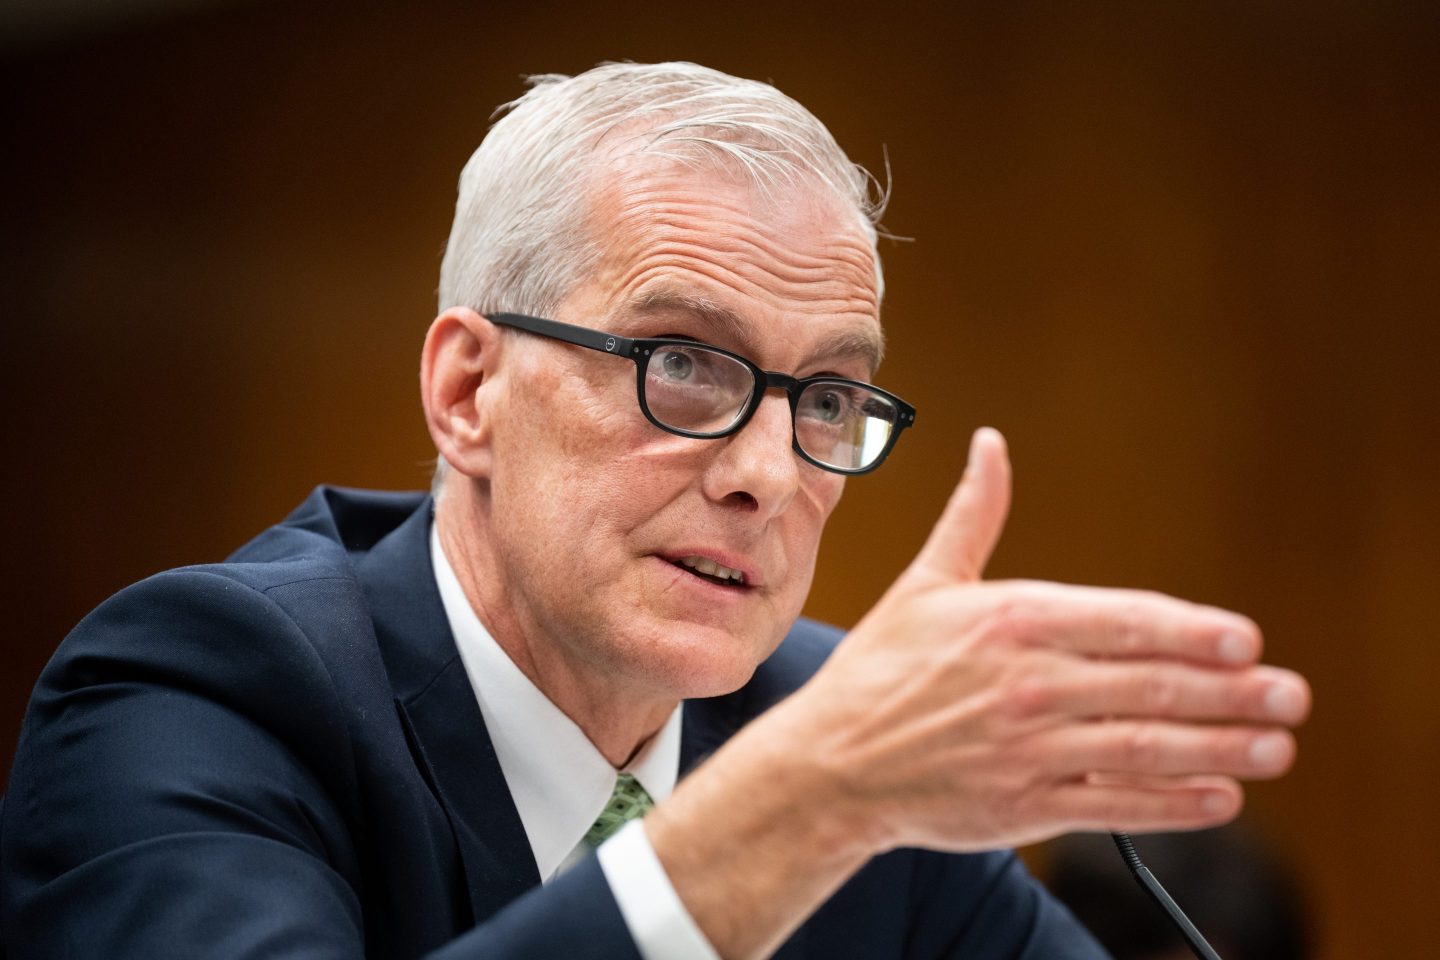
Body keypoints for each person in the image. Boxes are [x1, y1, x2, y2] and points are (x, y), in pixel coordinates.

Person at [0, 62, 1311, 959]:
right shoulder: (197, 691)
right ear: (468, 392)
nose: (769, 474)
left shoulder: (838, 722)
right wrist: (790, 814)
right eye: (682, 363)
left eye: (827, 398)